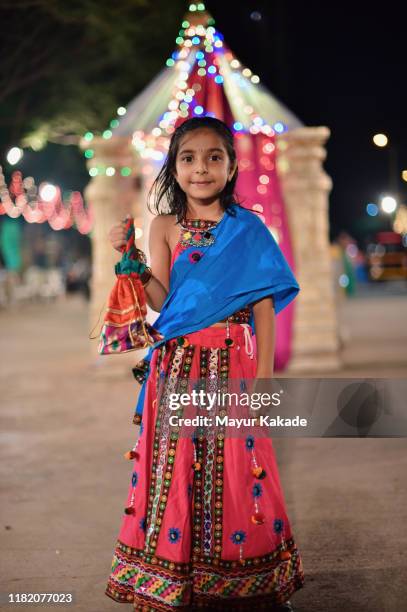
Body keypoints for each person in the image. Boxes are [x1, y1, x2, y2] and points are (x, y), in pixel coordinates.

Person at [105, 117, 305, 611]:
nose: (201, 169)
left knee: (238, 467)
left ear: (232, 165)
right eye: (189, 159)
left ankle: (240, 579)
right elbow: (163, 299)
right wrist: (131, 259)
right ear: (174, 167)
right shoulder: (165, 225)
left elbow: (262, 308)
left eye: (214, 157)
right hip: (177, 366)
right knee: (177, 470)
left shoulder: (248, 229)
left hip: (235, 363)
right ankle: (177, 575)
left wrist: (264, 382)